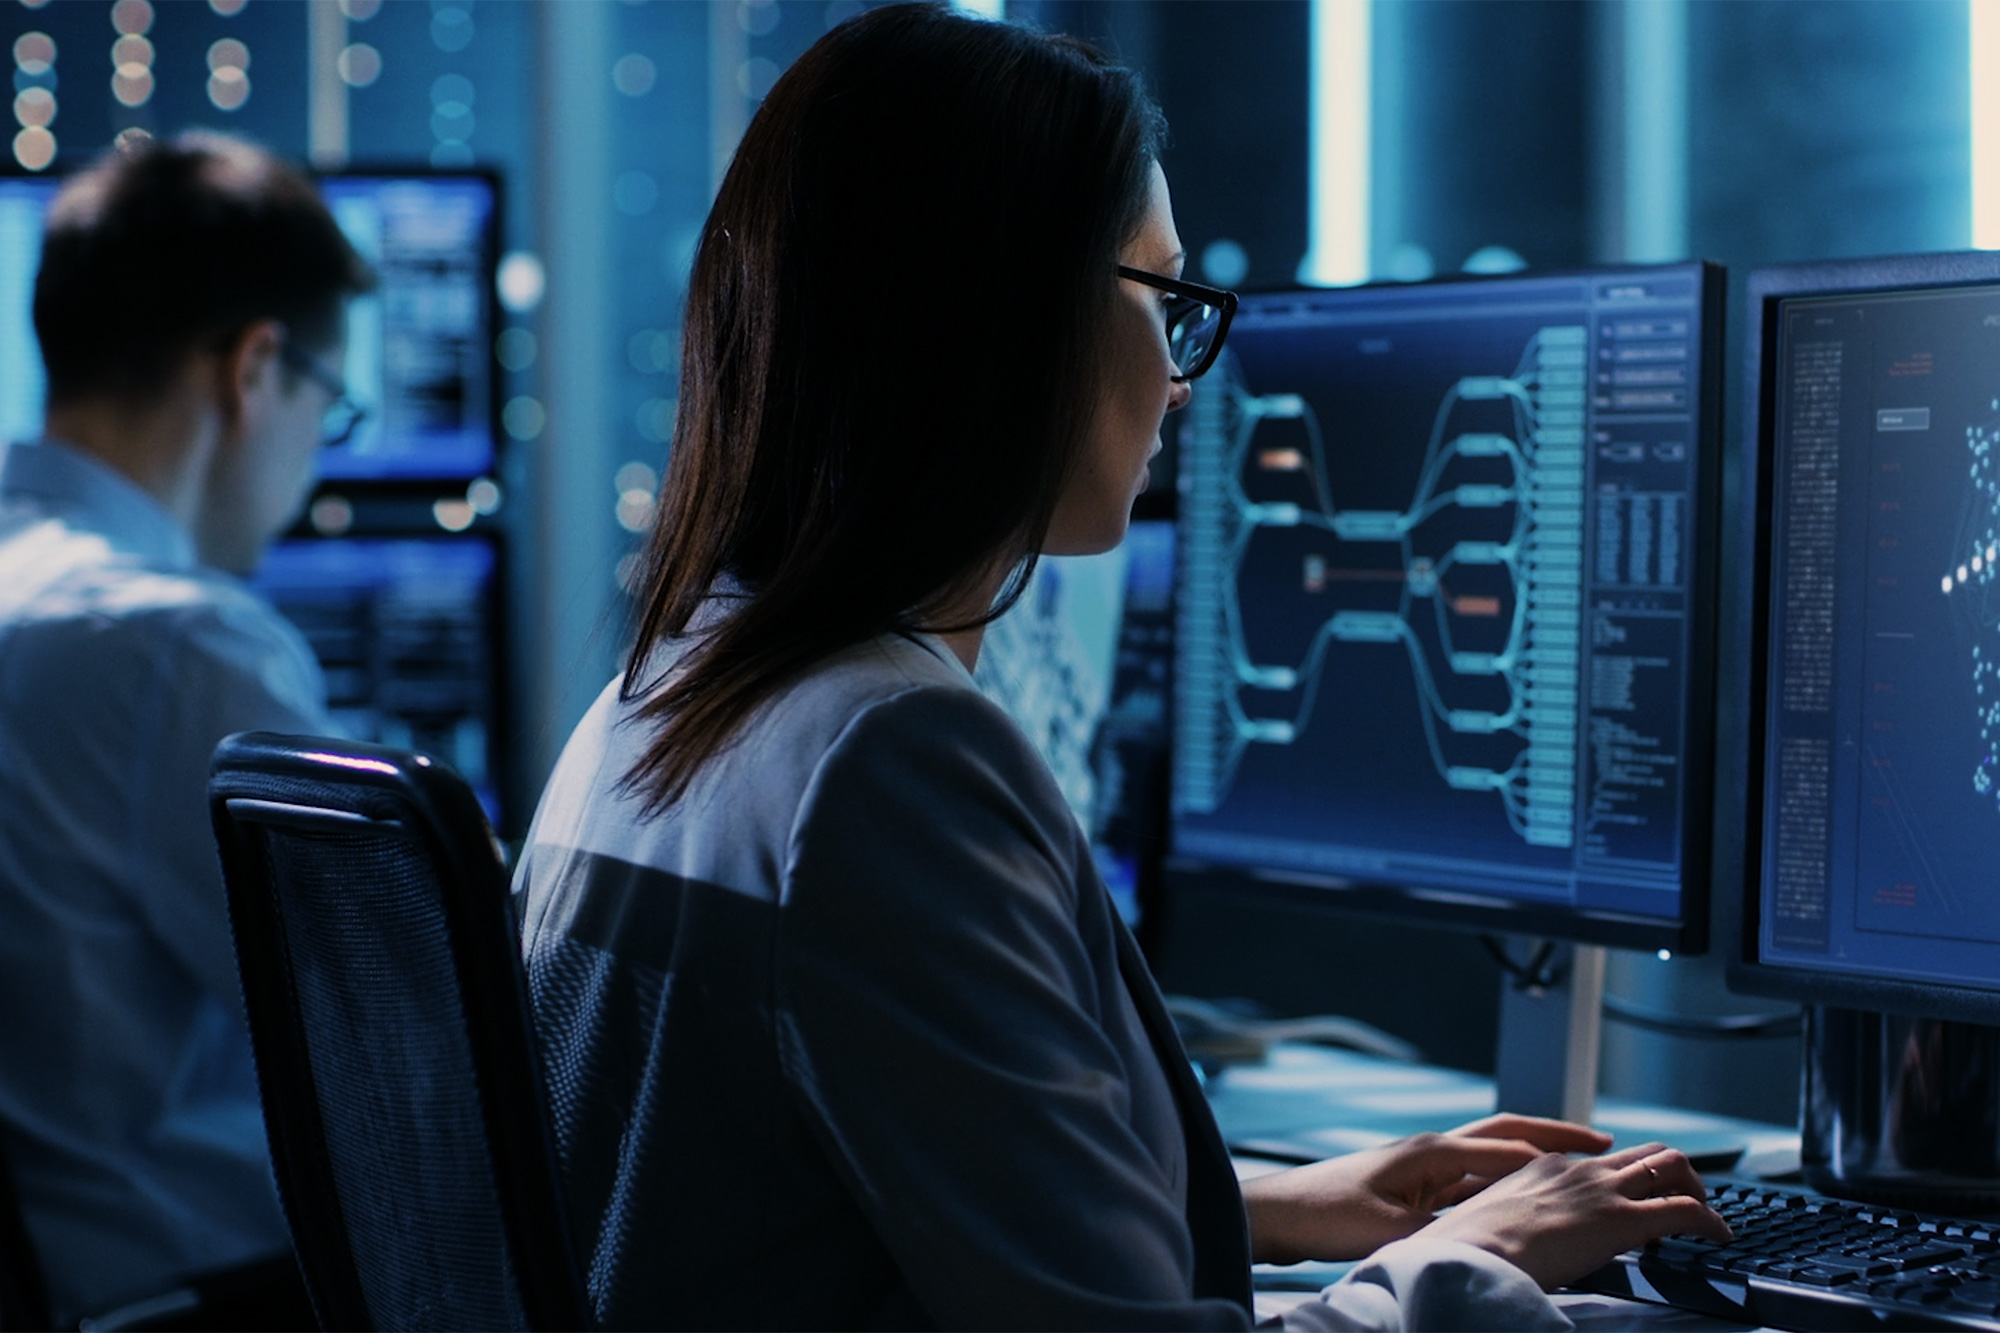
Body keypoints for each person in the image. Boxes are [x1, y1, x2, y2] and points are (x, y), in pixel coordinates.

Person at [514, 7, 1730, 1328]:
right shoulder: (886, 758)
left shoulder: (666, 702)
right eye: (1169, 300)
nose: (1185, 381)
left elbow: (791, 1188)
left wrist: (1264, 1205)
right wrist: (1469, 1266)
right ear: (1006, 312)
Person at [0, 131, 372, 1326]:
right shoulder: (177, 645)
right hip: (209, 1299)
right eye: (334, 406)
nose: (318, 459)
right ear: (253, 370)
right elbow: (408, 1025)